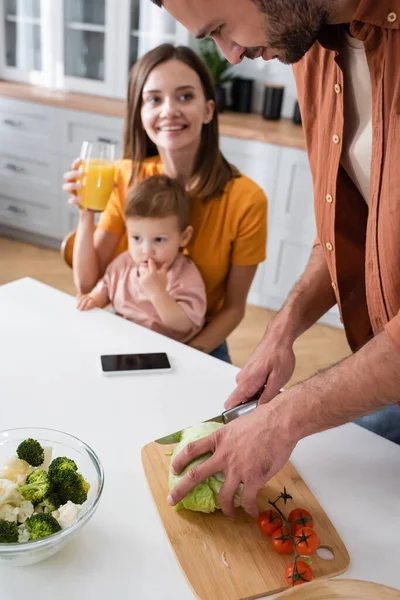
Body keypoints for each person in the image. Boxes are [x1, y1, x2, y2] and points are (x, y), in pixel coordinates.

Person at [153, 0, 400, 517]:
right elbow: (353, 228)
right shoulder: (307, 43)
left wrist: (287, 416)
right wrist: (283, 327)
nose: (232, 55)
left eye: (220, 29)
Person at [63, 43, 267, 363]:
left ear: (209, 110)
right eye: (154, 99)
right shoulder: (125, 177)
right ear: (140, 113)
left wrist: (183, 357)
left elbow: (233, 309)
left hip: (198, 341)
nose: (168, 110)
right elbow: (89, 283)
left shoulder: (247, 200)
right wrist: (86, 213)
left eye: (185, 96)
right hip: (127, 329)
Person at [76, 175, 207, 343]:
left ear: (184, 237)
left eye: (159, 240)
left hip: (166, 350)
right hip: (123, 340)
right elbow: (106, 287)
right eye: (136, 238)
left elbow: (184, 325)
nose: (146, 251)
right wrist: (93, 299)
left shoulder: (184, 276)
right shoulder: (124, 264)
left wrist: (157, 292)